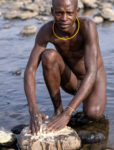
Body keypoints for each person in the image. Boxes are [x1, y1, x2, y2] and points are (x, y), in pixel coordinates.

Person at [24, 0, 107, 135]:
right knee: (49, 56)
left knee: (93, 114)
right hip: (72, 79)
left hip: (93, 79)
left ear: (77, 12)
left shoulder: (87, 26)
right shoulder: (47, 31)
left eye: (69, 13)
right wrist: (33, 109)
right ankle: (58, 111)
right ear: (52, 12)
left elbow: (91, 72)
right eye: (59, 13)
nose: (64, 18)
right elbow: (30, 70)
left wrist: (69, 113)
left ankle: (70, 111)